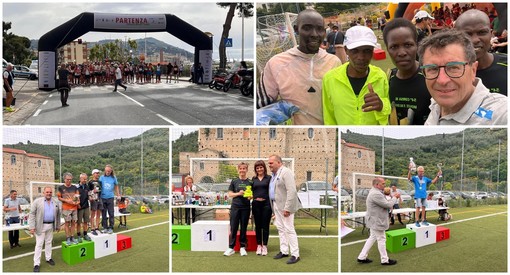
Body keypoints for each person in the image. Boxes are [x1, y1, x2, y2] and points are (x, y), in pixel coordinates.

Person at [258, 9, 342, 125]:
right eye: (307, 28)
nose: (314, 34)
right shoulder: (276, 63)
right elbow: (261, 106)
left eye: (319, 29)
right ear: (296, 29)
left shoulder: (334, 62)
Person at [418, 29, 508, 125]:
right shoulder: (435, 104)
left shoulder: (500, 114)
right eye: (432, 69)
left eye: (453, 67)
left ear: (473, 70)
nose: (442, 80)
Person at [322, 25, 391, 125]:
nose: (361, 57)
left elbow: (387, 114)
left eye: (367, 51)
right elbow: (329, 118)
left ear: (372, 51)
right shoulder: (330, 79)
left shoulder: (380, 76)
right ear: (346, 50)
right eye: (355, 51)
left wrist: (381, 106)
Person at [383, 18, 431, 125]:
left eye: (408, 45)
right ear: (387, 49)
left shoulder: (431, 77)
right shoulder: (386, 80)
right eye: (394, 47)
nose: (402, 53)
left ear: (417, 45)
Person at [455, 9, 507, 95]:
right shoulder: (445, 71)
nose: (475, 40)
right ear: (455, 36)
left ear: (491, 34)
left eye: (482, 32)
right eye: (467, 34)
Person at [357, 178, 400, 265]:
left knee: (372, 237)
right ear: (377, 185)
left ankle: (361, 256)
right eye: (383, 184)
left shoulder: (375, 192)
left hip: (374, 220)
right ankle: (384, 260)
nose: (385, 185)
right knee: (381, 239)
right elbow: (388, 205)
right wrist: (395, 197)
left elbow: (384, 203)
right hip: (376, 220)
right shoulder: (376, 194)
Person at [268, 155, 301, 264]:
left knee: (289, 229)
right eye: (269, 163)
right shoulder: (274, 175)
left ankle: (295, 254)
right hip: (276, 205)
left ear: (278, 162)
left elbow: (292, 191)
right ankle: (284, 251)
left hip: (285, 207)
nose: (269, 165)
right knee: (281, 228)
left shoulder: (286, 172)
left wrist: (287, 208)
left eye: (271, 163)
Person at [29, 186, 61, 272]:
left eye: (50, 192)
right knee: (39, 244)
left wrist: (58, 225)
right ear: (44, 193)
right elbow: (32, 214)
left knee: (48, 242)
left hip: (51, 226)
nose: (49, 193)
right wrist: (32, 227)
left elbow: (58, 215)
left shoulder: (55, 202)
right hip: (40, 226)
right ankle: (36, 264)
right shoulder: (37, 201)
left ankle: (48, 258)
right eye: (47, 192)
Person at [223, 162, 253, 257]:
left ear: (247, 170)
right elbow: (230, 194)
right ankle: (231, 247)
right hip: (235, 207)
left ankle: (242, 247)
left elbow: (252, 195)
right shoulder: (234, 181)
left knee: (243, 227)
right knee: (234, 227)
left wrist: (250, 196)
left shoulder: (250, 182)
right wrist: (238, 194)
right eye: (241, 168)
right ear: (238, 169)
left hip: (245, 207)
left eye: (244, 168)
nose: (242, 170)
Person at [251, 160, 272, 256]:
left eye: (261, 167)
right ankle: (259, 245)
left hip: (266, 205)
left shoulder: (269, 178)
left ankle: (265, 246)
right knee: (258, 226)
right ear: (255, 169)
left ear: (264, 168)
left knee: (265, 226)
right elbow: (250, 192)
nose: (259, 169)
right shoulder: (253, 179)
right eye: (257, 168)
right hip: (256, 205)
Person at [57, 172, 79, 245]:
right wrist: (66, 200)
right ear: (64, 179)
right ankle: (67, 238)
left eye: (70, 179)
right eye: (67, 179)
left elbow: (77, 196)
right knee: (67, 223)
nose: (69, 181)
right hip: (66, 208)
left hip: (74, 208)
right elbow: (59, 197)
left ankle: (72, 237)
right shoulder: (61, 188)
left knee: (73, 223)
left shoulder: (74, 187)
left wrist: (76, 202)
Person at [100, 164, 120, 234]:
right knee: (103, 213)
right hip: (102, 198)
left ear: (111, 171)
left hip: (110, 197)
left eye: (109, 171)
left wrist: (118, 195)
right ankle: (105, 227)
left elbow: (116, 186)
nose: (107, 172)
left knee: (111, 213)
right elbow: (98, 186)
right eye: (106, 171)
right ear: (104, 171)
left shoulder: (114, 177)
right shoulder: (101, 177)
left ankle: (111, 227)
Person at [76, 173, 91, 242]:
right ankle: (79, 235)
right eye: (84, 179)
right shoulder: (76, 187)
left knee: (86, 221)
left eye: (86, 179)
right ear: (80, 179)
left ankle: (85, 234)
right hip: (79, 207)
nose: (85, 180)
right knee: (79, 222)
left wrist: (91, 198)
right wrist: (77, 204)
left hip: (86, 206)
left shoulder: (87, 187)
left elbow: (88, 196)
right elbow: (75, 198)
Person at [88, 169, 102, 235]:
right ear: (93, 174)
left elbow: (101, 190)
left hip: (99, 198)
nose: (97, 174)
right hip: (93, 199)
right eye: (96, 173)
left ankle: (97, 227)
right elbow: (88, 191)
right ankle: (92, 228)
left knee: (98, 213)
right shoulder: (90, 182)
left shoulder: (100, 181)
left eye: (98, 173)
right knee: (93, 213)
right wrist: (92, 192)